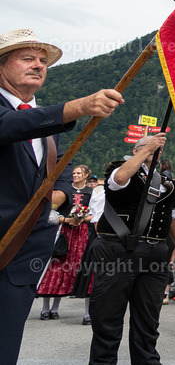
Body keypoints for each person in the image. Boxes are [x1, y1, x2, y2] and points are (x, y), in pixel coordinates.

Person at [0, 29, 125, 362]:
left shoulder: (41, 125)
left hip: (22, 259)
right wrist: (79, 107)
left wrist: (56, 200)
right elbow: (9, 127)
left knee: (5, 346)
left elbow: (61, 180)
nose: (39, 66)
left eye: (43, 61)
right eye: (28, 58)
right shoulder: (26, 118)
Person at [89, 132, 175, 364]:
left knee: (148, 318)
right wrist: (147, 148)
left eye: (157, 150)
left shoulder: (168, 184)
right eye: (150, 148)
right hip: (117, 248)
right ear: (136, 150)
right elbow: (119, 179)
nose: (155, 152)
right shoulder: (119, 168)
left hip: (155, 252)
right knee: (108, 316)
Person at [37, 163, 93, 320]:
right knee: (55, 267)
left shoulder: (90, 192)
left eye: (78, 173)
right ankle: (46, 308)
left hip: (80, 234)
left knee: (75, 268)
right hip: (62, 232)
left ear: (86, 175)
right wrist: (67, 219)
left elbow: (93, 214)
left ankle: (56, 308)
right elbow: (51, 213)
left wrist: (81, 219)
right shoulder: (64, 190)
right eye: (73, 173)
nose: (75, 176)